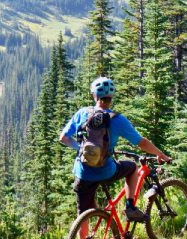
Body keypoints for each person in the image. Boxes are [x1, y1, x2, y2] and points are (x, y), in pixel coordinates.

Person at [59, 76, 172, 223]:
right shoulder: (117, 119)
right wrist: (161, 154)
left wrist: (80, 148)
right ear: (111, 97)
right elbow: (141, 142)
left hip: (83, 172)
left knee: (82, 214)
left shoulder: (82, 113)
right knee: (132, 168)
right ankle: (130, 207)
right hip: (107, 170)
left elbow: (63, 138)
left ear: (95, 95)